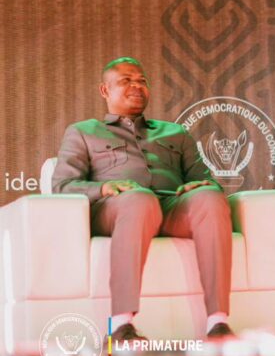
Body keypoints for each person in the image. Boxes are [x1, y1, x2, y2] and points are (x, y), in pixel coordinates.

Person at [52, 57, 235, 341]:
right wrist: (103, 188)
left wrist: (201, 186)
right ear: (105, 90)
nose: (137, 86)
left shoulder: (176, 132)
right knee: (139, 199)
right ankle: (121, 326)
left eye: (142, 81)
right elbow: (63, 186)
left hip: (171, 206)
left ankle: (218, 323)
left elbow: (204, 178)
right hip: (118, 208)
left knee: (209, 198)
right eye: (126, 80)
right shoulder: (83, 132)